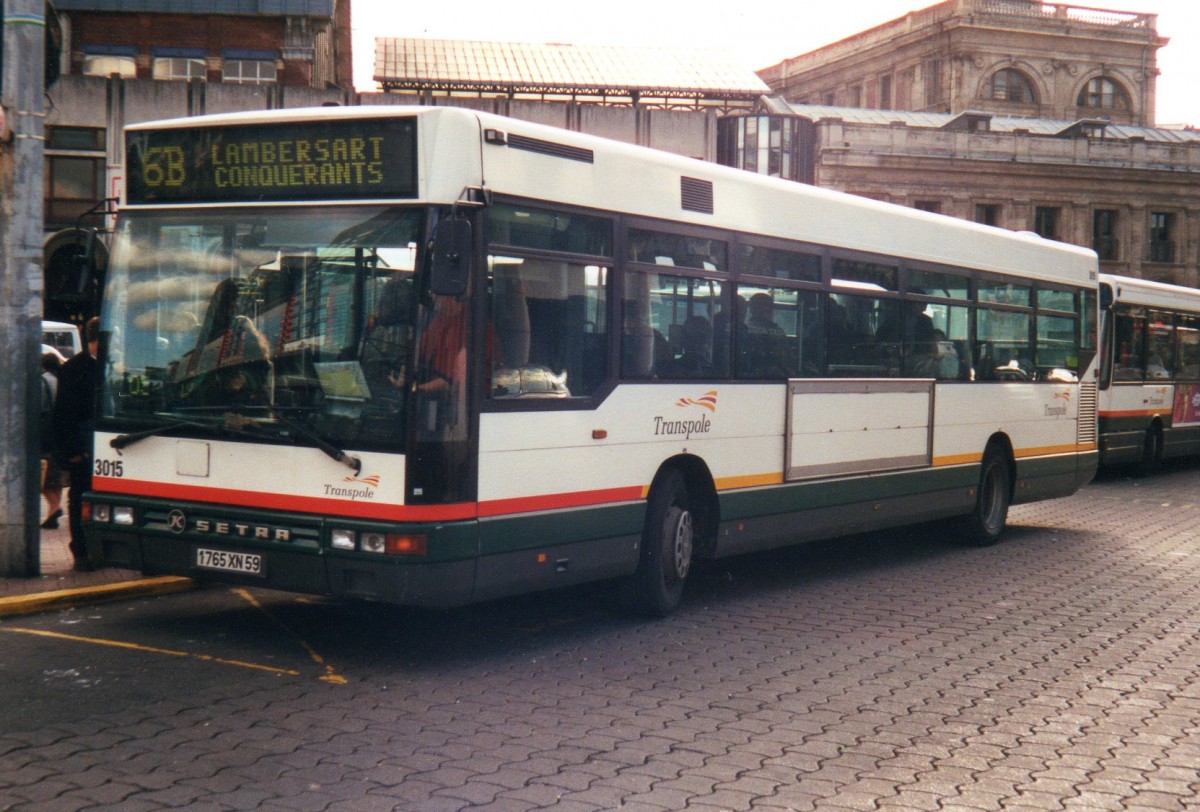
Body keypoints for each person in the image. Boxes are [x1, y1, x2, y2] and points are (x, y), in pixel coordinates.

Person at [52, 316, 101, 571]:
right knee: (80, 499)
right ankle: (81, 549)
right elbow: (63, 414)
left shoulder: (109, 366)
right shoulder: (74, 367)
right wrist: (73, 452)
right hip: (82, 450)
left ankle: (97, 549)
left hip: (103, 448)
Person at [39, 351, 65, 529]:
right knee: (56, 477)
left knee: (42, 477)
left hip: (46, 434)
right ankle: (52, 513)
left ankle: (55, 508)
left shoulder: (44, 380)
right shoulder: (61, 379)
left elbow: (40, 407)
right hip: (60, 432)